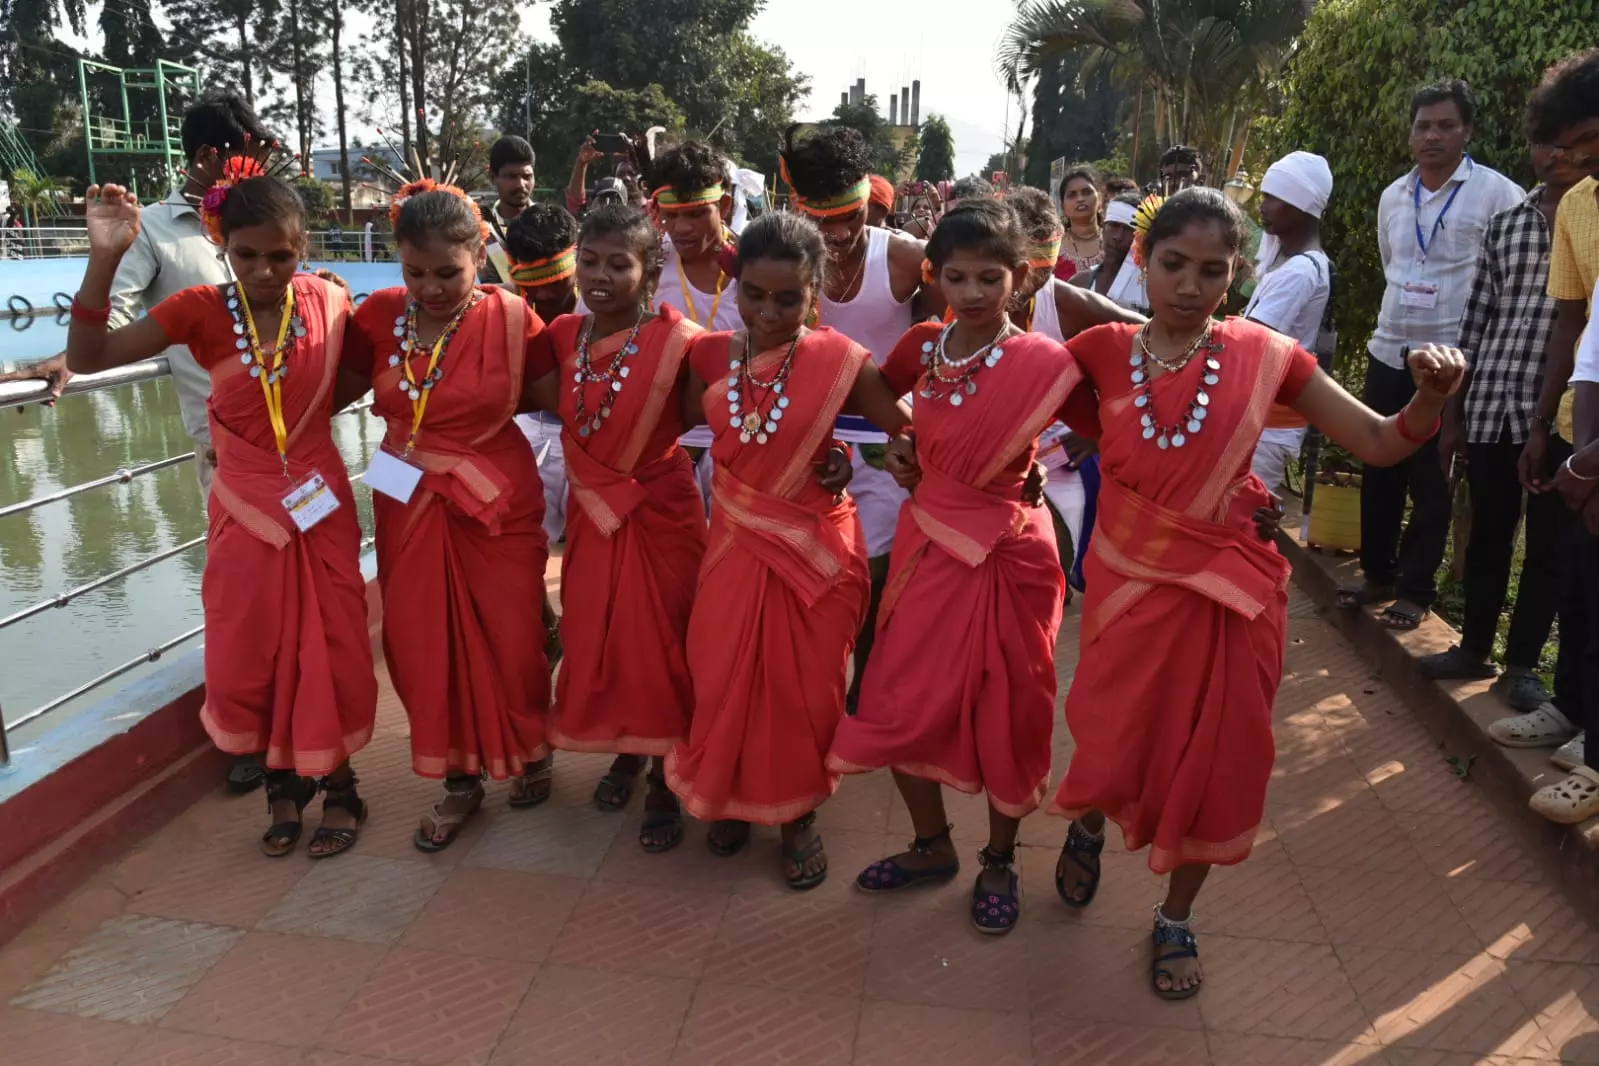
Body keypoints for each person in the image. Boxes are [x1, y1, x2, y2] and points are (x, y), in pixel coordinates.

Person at [1047, 187, 1465, 998]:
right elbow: (1025, 407)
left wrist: (1428, 399)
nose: (1188, 286)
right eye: (1173, 265)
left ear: (1235, 275)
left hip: (1227, 596)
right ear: (1144, 261)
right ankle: (1090, 823)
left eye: (1211, 271)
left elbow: (1377, 442)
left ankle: (1175, 917)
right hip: (1128, 584)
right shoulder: (1099, 351)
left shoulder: (1266, 355)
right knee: (1112, 737)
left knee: (1219, 757)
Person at [65, 173, 378, 858]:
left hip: (317, 506)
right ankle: (281, 788)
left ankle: (342, 787)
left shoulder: (329, 301)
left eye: (280, 256)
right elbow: (89, 357)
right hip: (242, 509)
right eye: (247, 255)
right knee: (251, 651)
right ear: (222, 246)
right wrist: (105, 257)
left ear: (303, 247)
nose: (263, 271)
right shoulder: (199, 310)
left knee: (329, 647)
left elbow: (361, 374)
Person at [828, 199, 1102, 934]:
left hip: (1011, 554)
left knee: (1009, 708)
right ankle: (931, 845)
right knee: (893, 699)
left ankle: (999, 859)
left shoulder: (1045, 362)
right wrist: (905, 442)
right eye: (957, 277)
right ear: (934, 276)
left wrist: (1040, 462)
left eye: (990, 278)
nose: (973, 292)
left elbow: (1110, 427)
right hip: (928, 545)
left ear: (1020, 279)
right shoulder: (923, 345)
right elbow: (869, 392)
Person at [0, 90, 279, 795]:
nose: (262, 163)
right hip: (224, 450)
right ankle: (247, 734)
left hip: (297, 441)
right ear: (213, 155)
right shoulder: (153, 230)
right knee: (239, 596)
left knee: (302, 589)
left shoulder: (266, 217)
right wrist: (68, 358)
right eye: (252, 152)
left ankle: (304, 722)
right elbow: (113, 320)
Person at [666, 211, 911, 888]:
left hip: (813, 549)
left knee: (802, 689)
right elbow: (680, 428)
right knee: (723, 675)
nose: (768, 313)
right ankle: (731, 794)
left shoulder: (841, 359)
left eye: (787, 298)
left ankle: (798, 813)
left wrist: (849, 459)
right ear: (735, 286)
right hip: (736, 543)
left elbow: (904, 431)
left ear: (814, 292)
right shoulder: (710, 355)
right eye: (754, 295)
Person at [341, 181, 552, 850]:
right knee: (418, 637)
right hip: (403, 490)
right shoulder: (379, 315)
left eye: (447, 273)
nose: (430, 288)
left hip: (494, 497)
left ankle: (531, 749)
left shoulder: (513, 319)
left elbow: (556, 397)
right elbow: (322, 386)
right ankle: (459, 777)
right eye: (415, 273)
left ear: (479, 255)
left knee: (512, 635)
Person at [533, 205, 707, 853]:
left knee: (663, 645)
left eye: (618, 264)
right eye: (589, 261)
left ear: (650, 274)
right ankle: (628, 751)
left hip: (659, 514)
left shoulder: (682, 341)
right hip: (592, 518)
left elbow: (739, 398)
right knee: (600, 637)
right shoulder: (561, 334)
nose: (599, 276)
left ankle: (665, 775)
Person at [1340, 79, 1524, 630]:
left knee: (1432, 476)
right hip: (1389, 349)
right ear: (1411, 134)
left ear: (1468, 130)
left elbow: (1508, 279)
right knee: (1379, 465)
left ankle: (1416, 589)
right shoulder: (1394, 196)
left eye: (1446, 125)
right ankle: (1378, 573)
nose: (1432, 136)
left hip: (1449, 362)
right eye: (1423, 126)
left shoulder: (1497, 194)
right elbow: (1392, 262)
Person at [779, 124, 943, 713]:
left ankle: (864, 686)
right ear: (800, 210)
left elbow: (938, 355)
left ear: (868, 201)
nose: (839, 235)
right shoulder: (784, 261)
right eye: (821, 221)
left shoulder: (906, 258)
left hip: (885, 437)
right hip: (804, 440)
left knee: (873, 576)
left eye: (850, 217)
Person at [1421, 123, 1580, 710]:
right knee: (1489, 534)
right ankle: (1473, 649)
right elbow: (1477, 318)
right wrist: (1453, 414)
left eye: (1566, 142)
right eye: (1543, 141)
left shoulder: (1591, 222)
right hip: (1492, 403)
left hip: (1563, 414)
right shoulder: (1507, 223)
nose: (1554, 153)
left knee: (1548, 546)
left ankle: (1522, 668)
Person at [1519, 50, 1599, 813]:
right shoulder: (1579, 205)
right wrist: (1548, 425)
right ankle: (1572, 712)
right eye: (1565, 147)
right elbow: (1576, 325)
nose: (1572, 159)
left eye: (1587, 143)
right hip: (1588, 425)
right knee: (1576, 579)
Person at [1008, 186, 1144, 589]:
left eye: (1041, 274)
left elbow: (1163, 348)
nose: (1026, 285)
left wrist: (1100, 433)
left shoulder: (1070, 303)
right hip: (982, 460)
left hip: (1058, 457)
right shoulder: (958, 295)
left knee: (1050, 573)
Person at [504, 203, 584, 662]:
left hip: (603, 445)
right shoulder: (506, 310)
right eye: (534, 286)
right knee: (522, 550)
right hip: (535, 434)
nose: (547, 296)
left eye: (557, 283)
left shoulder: (608, 299)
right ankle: (550, 628)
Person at [1242, 151, 1335, 494]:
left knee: (1243, 516)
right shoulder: (1290, 263)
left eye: (1273, 197)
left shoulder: (1299, 271)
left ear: (1300, 204)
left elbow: (1249, 342)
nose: (1263, 206)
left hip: (1268, 427)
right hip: (1263, 422)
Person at [1073, 192, 1149, 315]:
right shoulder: (1079, 284)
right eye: (1113, 226)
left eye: (1128, 230)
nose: (1118, 236)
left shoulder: (1150, 291)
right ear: (1103, 229)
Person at [481, 135, 537, 283]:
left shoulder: (549, 224)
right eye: (511, 177)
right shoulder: (480, 229)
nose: (520, 184)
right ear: (493, 177)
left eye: (527, 176)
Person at [1053, 164, 1105, 282]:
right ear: (1063, 207)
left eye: (1087, 192)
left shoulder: (1115, 241)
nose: (1080, 199)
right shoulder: (1054, 248)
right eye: (1072, 195)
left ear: (1100, 199)